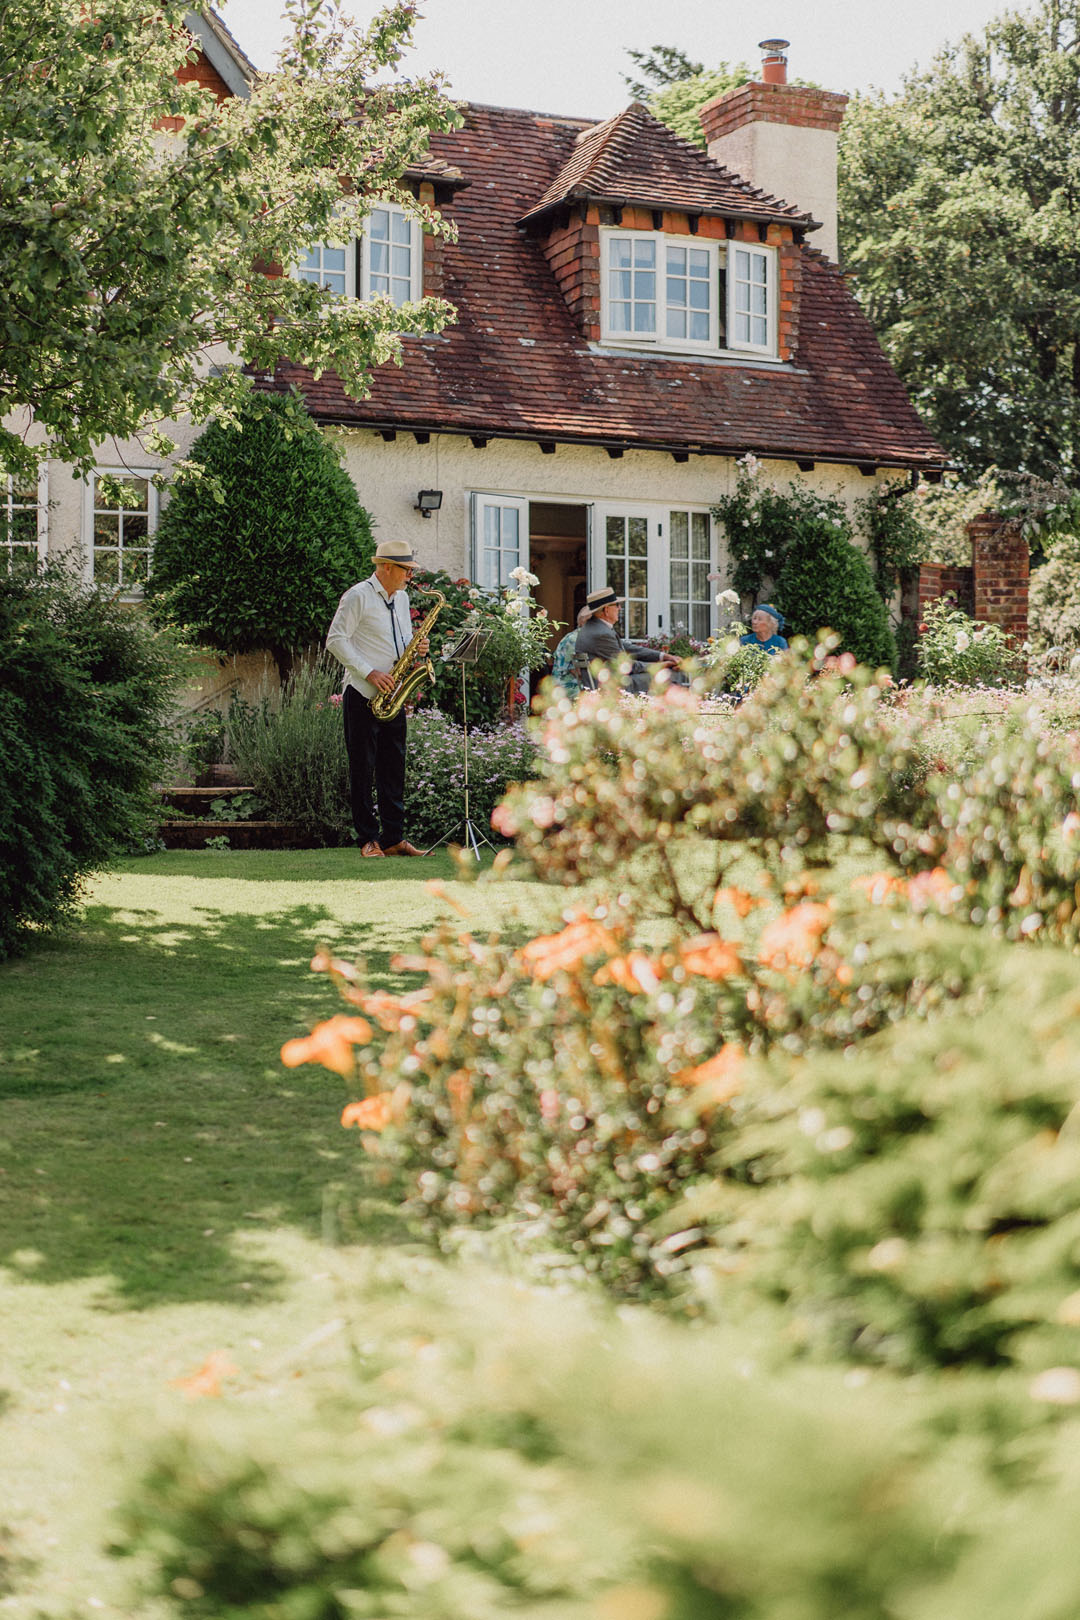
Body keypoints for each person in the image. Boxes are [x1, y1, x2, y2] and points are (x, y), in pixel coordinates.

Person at [326, 538, 430, 858]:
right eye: (405, 570)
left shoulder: (401, 598)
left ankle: (393, 838)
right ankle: (367, 840)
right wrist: (369, 672)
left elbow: (398, 641)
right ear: (385, 567)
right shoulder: (358, 595)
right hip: (362, 693)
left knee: (392, 767)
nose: (409, 576)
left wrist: (417, 648)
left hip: (393, 694)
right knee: (363, 767)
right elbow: (336, 640)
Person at [574, 586, 680, 693]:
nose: (620, 608)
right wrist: (661, 665)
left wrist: (663, 656)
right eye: (617, 605)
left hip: (605, 684)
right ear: (606, 610)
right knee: (667, 676)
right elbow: (627, 666)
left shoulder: (593, 628)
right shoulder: (601, 633)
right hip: (611, 689)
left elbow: (629, 648)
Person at [550, 605, 593, 696]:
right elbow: (578, 671)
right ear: (585, 622)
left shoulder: (578, 636)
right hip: (568, 690)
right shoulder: (575, 640)